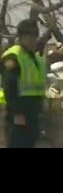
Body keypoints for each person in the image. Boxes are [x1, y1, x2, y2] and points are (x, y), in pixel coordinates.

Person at [1, 19, 46, 148]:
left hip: (33, 110)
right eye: (30, 37)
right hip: (19, 111)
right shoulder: (13, 56)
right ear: (21, 37)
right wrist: (17, 112)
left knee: (30, 142)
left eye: (35, 37)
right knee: (18, 143)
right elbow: (10, 86)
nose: (33, 40)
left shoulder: (35, 58)